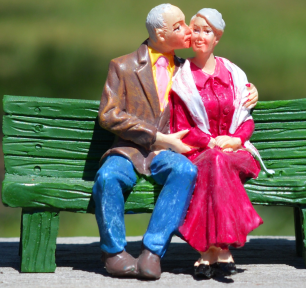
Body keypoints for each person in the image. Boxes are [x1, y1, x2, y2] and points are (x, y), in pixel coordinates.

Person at [94, 3, 196, 280]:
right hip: (129, 148)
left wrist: (249, 89)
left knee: (185, 171)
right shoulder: (123, 66)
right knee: (107, 178)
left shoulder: (189, 70)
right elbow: (109, 115)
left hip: (166, 153)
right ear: (161, 34)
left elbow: (220, 85)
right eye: (179, 27)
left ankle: (153, 250)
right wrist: (156, 137)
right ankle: (113, 252)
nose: (188, 31)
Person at [169, 8, 270, 278]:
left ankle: (205, 252)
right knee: (214, 161)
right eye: (196, 30)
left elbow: (246, 120)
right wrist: (210, 141)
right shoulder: (181, 79)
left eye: (207, 31)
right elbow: (181, 128)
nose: (200, 36)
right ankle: (221, 250)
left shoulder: (235, 75)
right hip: (200, 153)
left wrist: (236, 139)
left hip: (237, 153)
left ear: (217, 37)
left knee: (218, 162)